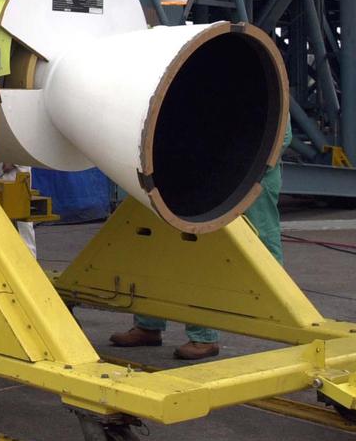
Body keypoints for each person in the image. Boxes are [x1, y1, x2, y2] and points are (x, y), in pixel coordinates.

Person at [109, 116, 292, 360]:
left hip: (252, 174)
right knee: (158, 244)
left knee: (257, 243)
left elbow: (280, 135)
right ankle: (148, 324)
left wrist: (232, 163)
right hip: (201, 171)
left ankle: (281, 316)